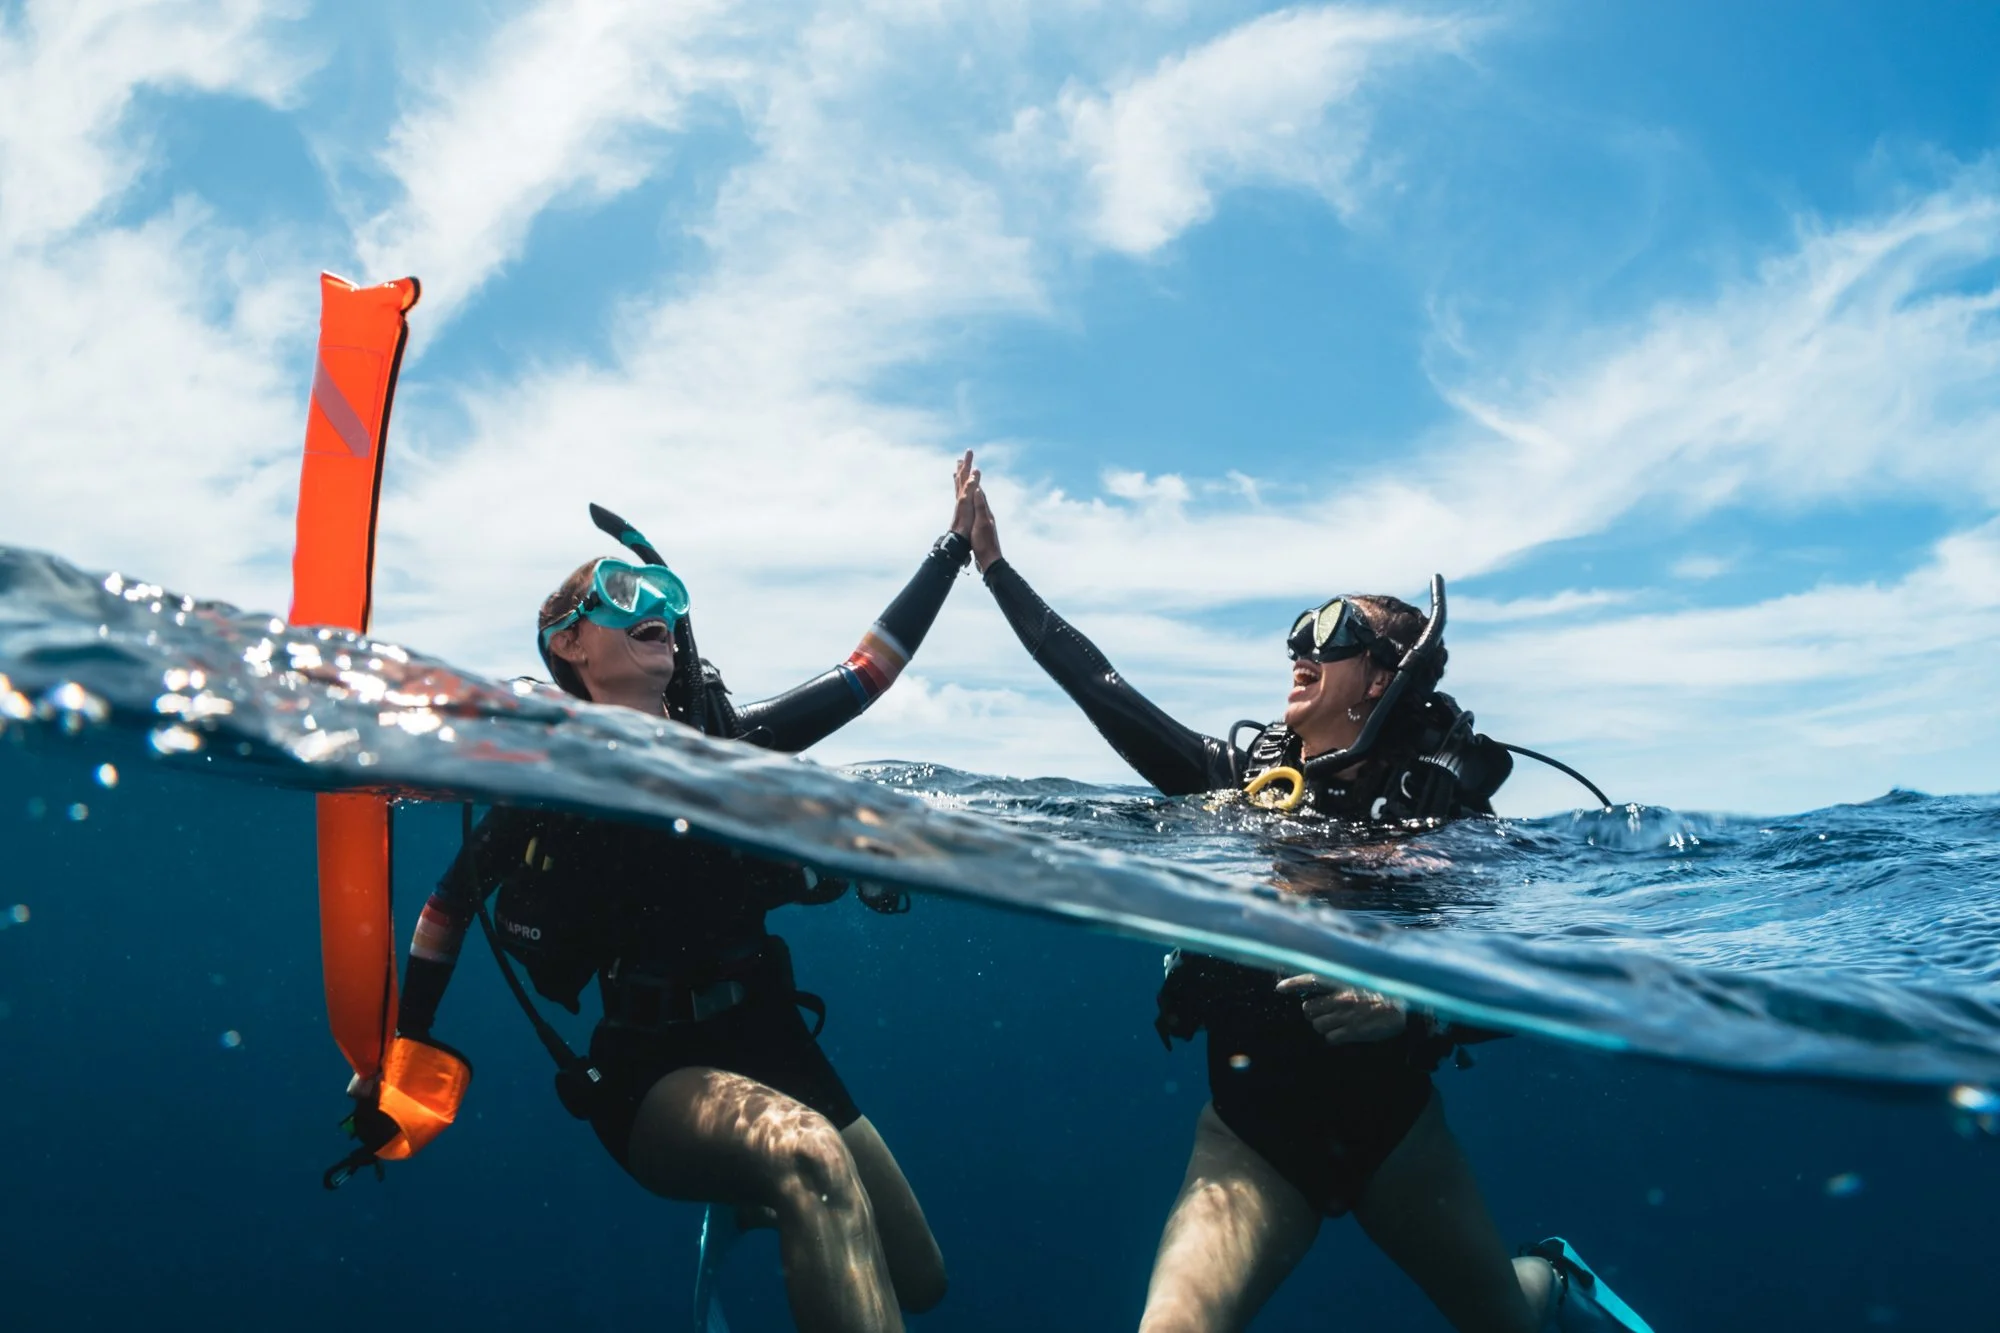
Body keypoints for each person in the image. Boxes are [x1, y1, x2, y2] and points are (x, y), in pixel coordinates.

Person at [960, 480, 1650, 1333]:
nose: (1301, 643)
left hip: (1393, 1133)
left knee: (1506, 1322)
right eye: (1298, 629)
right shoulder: (1239, 787)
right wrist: (994, 567)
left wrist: (1411, 1008)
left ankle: (1552, 1276)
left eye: (1334, 631)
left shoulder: (1450, 825)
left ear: (1382, 680)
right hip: (1253, 1138)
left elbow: (1547, 978)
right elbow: (1101, 685)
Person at [393, 455, 985, 1333]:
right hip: (653, 1067)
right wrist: (403, 1048)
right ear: (569, 643)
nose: (659, 616)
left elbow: (865, 674)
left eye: (666, 599)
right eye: (628, 595)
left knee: (924, 1279)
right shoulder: (549, 776)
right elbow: (444, 910)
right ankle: (764, 1184)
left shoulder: (725, 743)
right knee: (809, 1159)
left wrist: (951, 549)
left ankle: (749, 1198)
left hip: (771, 1035)